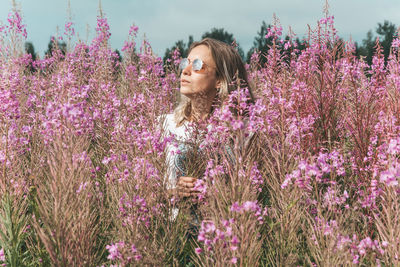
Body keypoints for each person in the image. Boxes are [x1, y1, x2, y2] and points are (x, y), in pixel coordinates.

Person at [162, 37, 255, 202]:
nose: (185, 71)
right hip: (175, 225)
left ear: (219, 80)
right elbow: (143, 194)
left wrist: (216, 191)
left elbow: (256, 192)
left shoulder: (243, 130)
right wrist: (174, 192)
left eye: (197, 65)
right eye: (185, 63)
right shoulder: (164, 124)